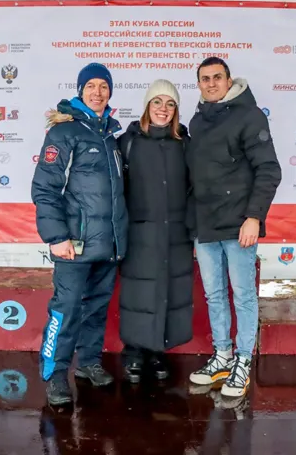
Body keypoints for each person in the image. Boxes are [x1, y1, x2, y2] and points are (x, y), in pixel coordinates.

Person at [31, 62, 128, 406]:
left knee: (96, 308)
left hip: (107, 245)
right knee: (66, 309)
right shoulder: (65, 133)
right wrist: (56, 237)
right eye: (91, 86)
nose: (97, 92)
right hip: (73, 244)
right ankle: (55, 375)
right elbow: (45, 188)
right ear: (80, 90)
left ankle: (88, 363)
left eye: (103, 86)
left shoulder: (110, 134)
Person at [186, 57, 281, 398]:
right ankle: (222, 356)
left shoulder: (249, 116)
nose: (211, 83)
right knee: (214, 295)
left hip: (240, 225)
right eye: (205, 79)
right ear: (199, 84)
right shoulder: (197, 120)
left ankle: (243, 360)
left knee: (242, 295)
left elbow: (269, 169)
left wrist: (254, 217)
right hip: (205, 225)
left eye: (217, 77)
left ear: (229, 81)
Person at [117, 79, 195, 383]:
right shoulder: (128, 142)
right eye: (157, 102)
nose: (163, 109)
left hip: (176, 233)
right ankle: (134, 351)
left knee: (168, 291)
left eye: (170, 104)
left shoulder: (185, 144)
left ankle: (158, 349)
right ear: (147, 106)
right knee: (139, 291)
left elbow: (194, 187)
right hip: (139, 232)